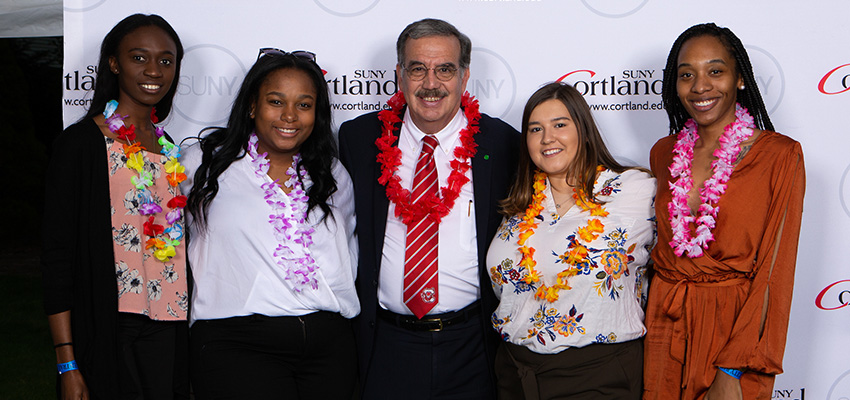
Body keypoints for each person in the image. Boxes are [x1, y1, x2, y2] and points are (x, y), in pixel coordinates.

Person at [338, 18, 520, 399]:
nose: (431, 83)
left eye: (445, 70)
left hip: (472, 345)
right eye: (418, 69)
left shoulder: (502, 144)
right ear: (399, 75)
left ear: (465, 75)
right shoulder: (360, 138)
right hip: (387, 344)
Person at [181, 48, 359, 399]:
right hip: (237, 344)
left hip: (329, 347)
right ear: (251, 105)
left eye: (304, 105)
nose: (289, 116)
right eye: (276, 101)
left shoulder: (333, 174)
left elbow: (348, 253)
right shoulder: (202, 165)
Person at [643, 23, 805, 400]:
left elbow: (774, 271)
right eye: (687, 75)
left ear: (740, 80)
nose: (700, 86)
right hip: (664, 326)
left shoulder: (779, 156)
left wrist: (733, 367)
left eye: (715, 71)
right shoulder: (663, 152)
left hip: (731, 332)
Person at [41, 14, 188, 400]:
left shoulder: (169, 147)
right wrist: (67, 363)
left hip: (167, 321)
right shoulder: (82, 144)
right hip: (108, 321)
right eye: (139, 58)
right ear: (114, 63)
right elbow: (57, 257)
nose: (154, 70)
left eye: (166, 60)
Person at [487, 82, 655, 399]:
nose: (547, 138)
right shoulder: (518, 206)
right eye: (535, 129)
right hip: (515, 373)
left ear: (584, 130)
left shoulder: (635, 190)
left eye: (560, 125)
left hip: (597, 374)